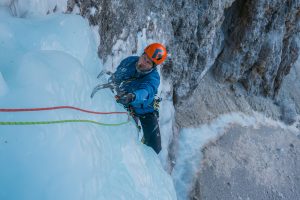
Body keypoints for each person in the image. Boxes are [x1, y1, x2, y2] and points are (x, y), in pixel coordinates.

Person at [112, 43, 167, 154]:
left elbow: (146, 92)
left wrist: (133, 96)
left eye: (148, 62)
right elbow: (116, 78)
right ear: (142, 54)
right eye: (144, 58)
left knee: (155, 147)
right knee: (125, 136)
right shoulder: (129, 62)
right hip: (125, 103)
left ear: (153, 67)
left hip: (145, 110)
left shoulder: (153, 78)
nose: (143, 63)